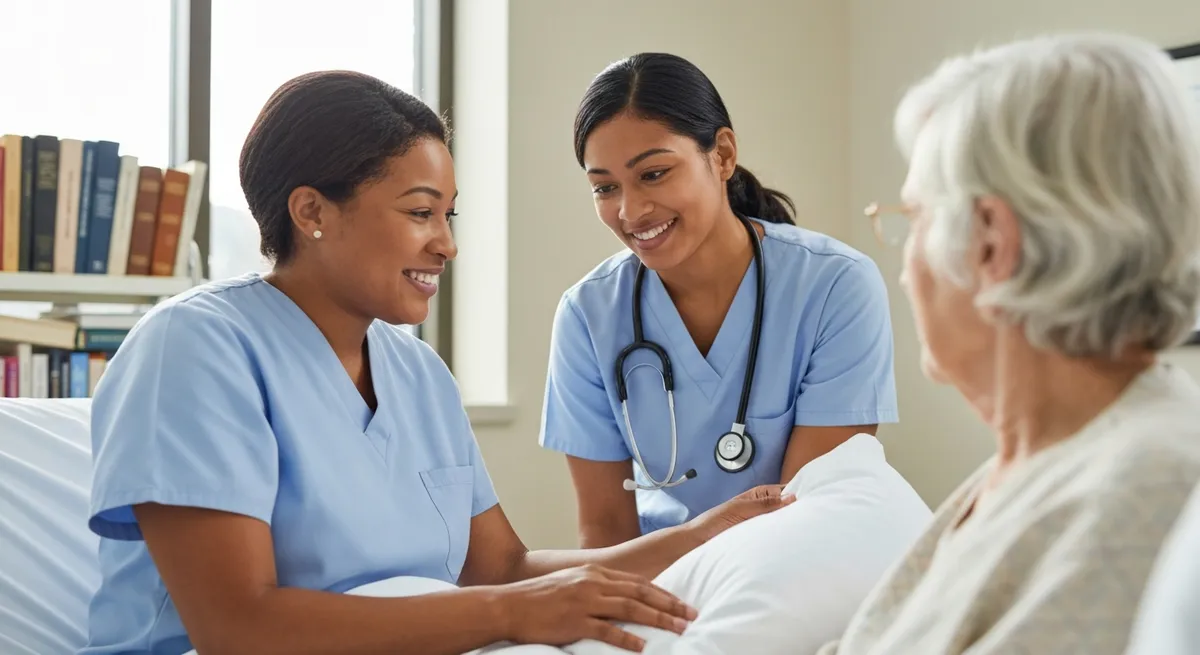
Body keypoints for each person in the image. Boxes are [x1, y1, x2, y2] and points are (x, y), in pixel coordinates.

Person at [80, 70, 794, 655]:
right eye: (421, 213)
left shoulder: (416, 372)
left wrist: (693, 539)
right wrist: (511, 613)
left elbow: (506, 569)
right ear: (311, 211)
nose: (447, 244)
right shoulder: (195, 348)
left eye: (450, 216)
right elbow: (238, 627)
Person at [817, 32, 1200, 654]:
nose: (906, 267)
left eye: (914, 219)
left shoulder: (1148, 491)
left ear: (991, 244)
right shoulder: (1034, 460)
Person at [539, 52, 899, 548]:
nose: (630, 211)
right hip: (655, 584)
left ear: (723, 155)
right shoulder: (587, 316)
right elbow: (604, 533)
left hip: (796, 570)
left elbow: (807, 514)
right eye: (604, 187)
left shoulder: (836, 286)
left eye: (654, 174)